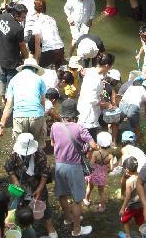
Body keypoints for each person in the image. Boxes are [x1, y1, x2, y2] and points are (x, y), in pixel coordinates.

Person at [50, 98, 97, 236]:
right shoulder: (80, 127)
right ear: (74, 114)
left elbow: (52, 144)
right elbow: (93, 145)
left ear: (63, 114)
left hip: (59, 165)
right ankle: (77, 230)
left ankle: (68, 218)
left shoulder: (55, 126)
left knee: (62, 194)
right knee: (77, 199)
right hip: (74, 167)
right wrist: (85, 147)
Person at [4, 132, 57, 238]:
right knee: (19, 205)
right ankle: (24, 225)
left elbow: (45, 173)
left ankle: (50, 227)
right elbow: (8, 168)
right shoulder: (14, 154)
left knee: (44, 205)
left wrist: (40, 188)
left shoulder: (39, 154)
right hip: (21, 185)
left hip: (36, 183)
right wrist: (15, 180)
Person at [0, 57, 47, 144]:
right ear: (35, 69)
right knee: (37, 145)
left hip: (19, 117)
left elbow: (8, 106)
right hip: (36, 116)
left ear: (23, 68)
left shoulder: (13, 80)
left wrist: (1, 126)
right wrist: (43, 119)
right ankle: (36, 156)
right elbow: (42, 102)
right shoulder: (39, 79)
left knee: (20, 146)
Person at [77, 52, 116, 140]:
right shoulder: (96, 79)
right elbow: (92, 99)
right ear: (107, 65)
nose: (111, 68)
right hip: (89, 114)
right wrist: (106, 104)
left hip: (82, 107)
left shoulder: (91, 71)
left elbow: (86, 70)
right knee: (89, 139)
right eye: (111, 66)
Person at [0, 3, 30, 97]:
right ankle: (9, 97)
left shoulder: (3, 16)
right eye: (23, 17)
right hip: (12, 59)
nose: (24, 19)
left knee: (2, 76)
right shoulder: (18, 29)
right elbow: (22, 46)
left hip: (0, 54)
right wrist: (27, 58)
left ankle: (2, 95)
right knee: (11, 78)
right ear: (16, 15)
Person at [31, 0, 66, 68]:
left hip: (49, 51)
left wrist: (36, 60)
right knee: (57, 73)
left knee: (42, 72)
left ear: (35, 10)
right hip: (60, 49)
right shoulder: (52, 19)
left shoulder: (37, 22)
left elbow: (37, 43)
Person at [84, 132, 114, 211]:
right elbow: (111, 168)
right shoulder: (110, 156)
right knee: (101, 192)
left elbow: (91, 164)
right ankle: (102, 207)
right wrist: (105, 170)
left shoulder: (95, 153)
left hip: (93, 174)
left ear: (99, 143)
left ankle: (86, 200)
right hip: (102, 175)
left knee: (89, 187)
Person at [119, 156, 143, 238]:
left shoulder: (129, 181)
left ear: (127, 170)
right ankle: (142, 234)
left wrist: (123, 208)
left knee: (124, 220)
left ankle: (128, 235)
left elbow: (128, 197)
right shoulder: (141, 176)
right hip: (141, 205)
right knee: (140, 221)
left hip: (131, 206)